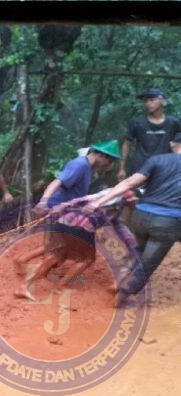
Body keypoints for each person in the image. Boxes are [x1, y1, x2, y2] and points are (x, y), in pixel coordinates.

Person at [14, 140, 121, 300]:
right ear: (100, 155)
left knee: (57, 250)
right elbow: (57, 182)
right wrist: (44, 201)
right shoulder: (80, 165)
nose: (109, 164)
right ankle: (30, 283)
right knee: (59, 252)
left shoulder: (86, 168)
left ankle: (26, 268)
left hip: (65, 212)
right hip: (60, 211)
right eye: (109, 160)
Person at [86, 133, 181, 306]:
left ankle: (118, 279)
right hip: (167, 222)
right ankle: (121, 296)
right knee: (148, 263)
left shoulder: (157, 160)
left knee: (138, 250)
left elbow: (129, 183)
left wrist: (98, 201)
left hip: (140, 216)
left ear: (172, 144)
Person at [118, 88, 180, 181]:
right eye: (146, 101)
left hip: (164, 170)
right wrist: (121, 168)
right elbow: (126, 144)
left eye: (152, 100)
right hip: (141, 169)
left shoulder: (173, 123)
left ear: (162, 101)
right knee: (138, 194)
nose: (148, 103)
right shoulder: (137, 122)